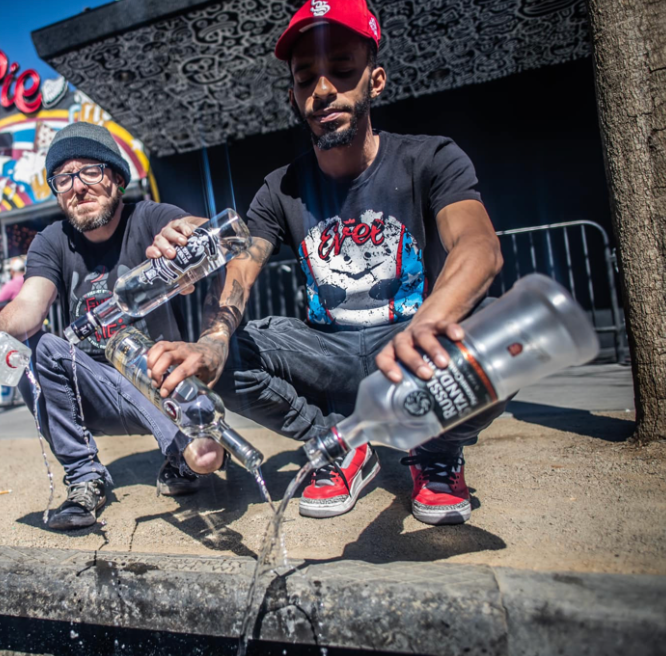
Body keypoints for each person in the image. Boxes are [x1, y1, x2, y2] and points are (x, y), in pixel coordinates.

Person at [145, 0, 507, 526]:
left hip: (410, 343)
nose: (322, 90)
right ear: (292, 94)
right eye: (306, 78)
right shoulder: (281, 188)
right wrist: (214, 340)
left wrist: (430, 321)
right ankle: (337, 445)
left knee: (499, 336)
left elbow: (478, 247)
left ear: (375, 80)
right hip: (326, 352)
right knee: (214, 364)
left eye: (342, 71)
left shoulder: (431, 158)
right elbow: (241, 270)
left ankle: (434, 454)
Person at [0, 122, 221, 531]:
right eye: (63, 178)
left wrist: (192, 234)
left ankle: (181, 453)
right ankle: (85, 478)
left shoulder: (148, 216)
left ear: (116, 176)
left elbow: (195, 227)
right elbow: (28, 306)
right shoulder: (51, 240)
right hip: (92, 390)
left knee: (196, 446)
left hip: (157, 385)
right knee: (37, 348)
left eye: (90, 172)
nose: (77, 187)